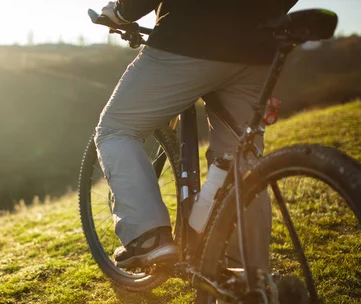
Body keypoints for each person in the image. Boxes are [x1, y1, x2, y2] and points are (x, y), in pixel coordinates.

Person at [95, 0, 298, 271]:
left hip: (189, 38)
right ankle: (245, 285)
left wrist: (121, 12)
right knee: (242, 163)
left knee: (117, 128)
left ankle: (148, 236)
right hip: (259, 48)